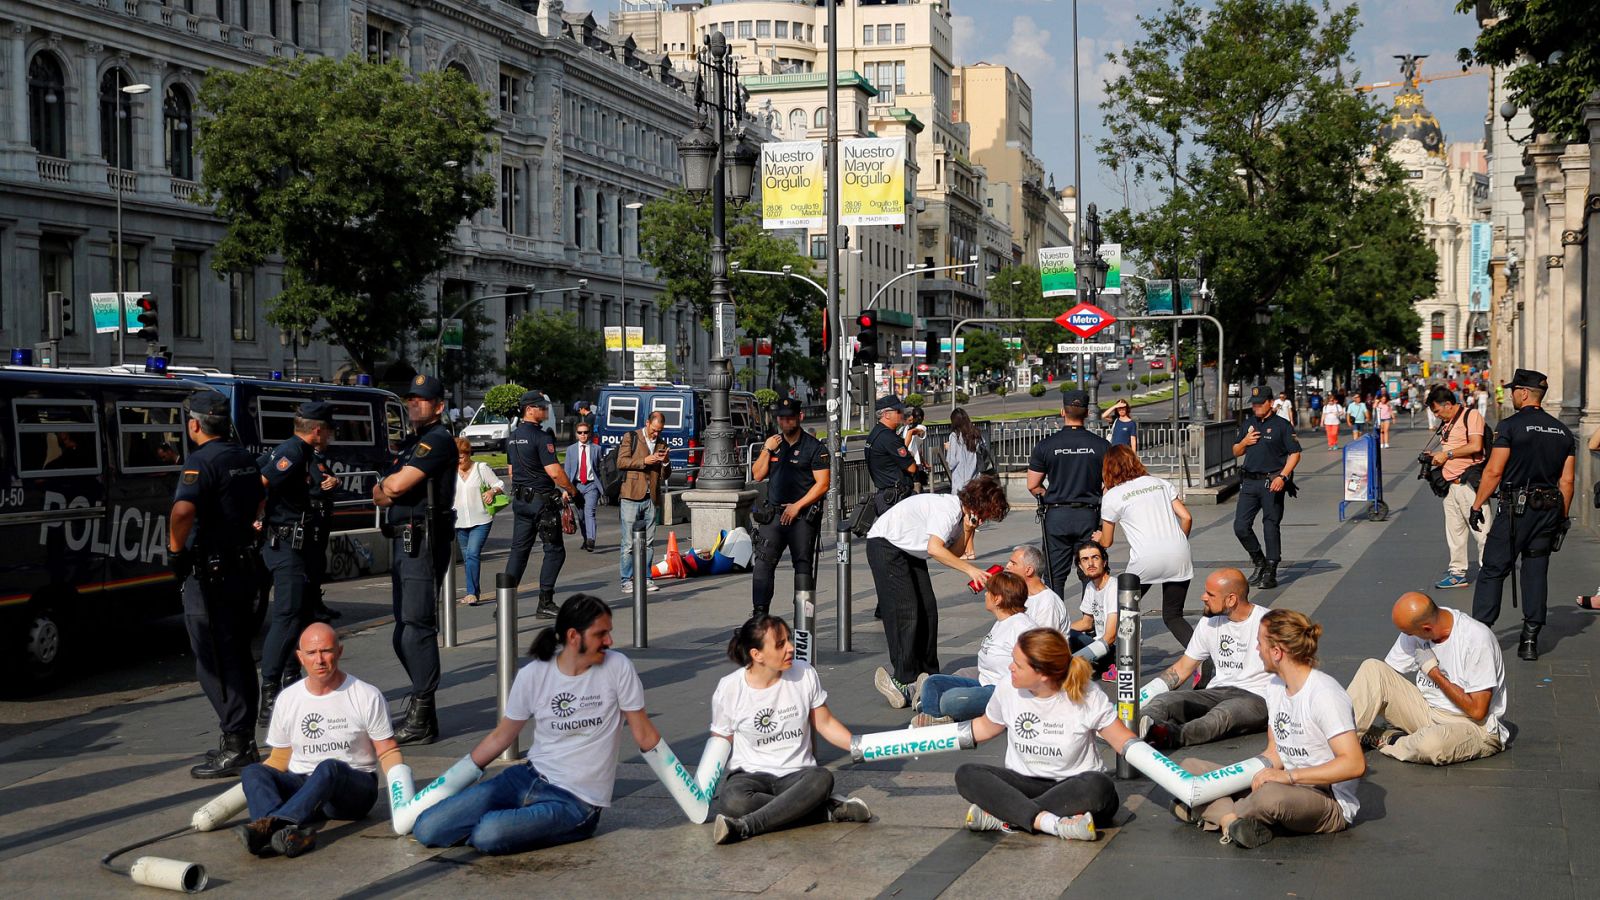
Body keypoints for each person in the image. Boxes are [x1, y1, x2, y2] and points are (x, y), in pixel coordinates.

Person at [412, 595, 661, 855]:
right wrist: (449, 781)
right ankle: (519, 819)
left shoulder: (618, 667)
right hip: (527, 777)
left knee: (488, 834)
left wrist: (693, 793)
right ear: (574, 636)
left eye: (609, 633)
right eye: (601, 634)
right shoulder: (534, 673)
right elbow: (502, 736)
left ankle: (517, 822)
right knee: (428, 828)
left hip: (576, 802)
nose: (609, 641)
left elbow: (644, 734)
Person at [1175, 609, 1363, 850]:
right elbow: (1274, 753)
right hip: (1282, 781)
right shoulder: (1274, 686)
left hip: (1325, 797)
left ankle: (1210, 811)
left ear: (1277, 652)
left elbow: (1354, 764)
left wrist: (1289, 777)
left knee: (1269, 796)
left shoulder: (1325, 695)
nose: (1256, 650)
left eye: (1259, 644)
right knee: (1191, 768)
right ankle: (1231, 820)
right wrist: (1245, 775)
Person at [235, 624, 401, 859]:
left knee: (329, 767)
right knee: (253, 771)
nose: (319, 660)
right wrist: (256, 784)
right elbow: (280, 758)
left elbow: (387, 750)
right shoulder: (288, 699)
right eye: (312, 653)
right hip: (305, 788)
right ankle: (287, 835)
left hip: (353, 790)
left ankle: (271, 827)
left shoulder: (366, 695)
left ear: (340, 652)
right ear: (300, 657)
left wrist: (403, 798)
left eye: (326, 651)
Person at [956, 629, 1137, 841]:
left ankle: (1008, 815)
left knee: (1100, 786)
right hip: (1025, 784)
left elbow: (1123, 741)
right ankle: (1052, 823)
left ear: (1042, 673)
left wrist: (1176, 782)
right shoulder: (1007, 687)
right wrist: (916, 740)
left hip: (1074, 788)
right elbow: (985, 727)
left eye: (1018, 664)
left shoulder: (1086, 693)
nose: (1010, 667)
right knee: (966, 773)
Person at [170, 390, 267, 779]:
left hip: (211, 573)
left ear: (194, 424)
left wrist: (176, 550)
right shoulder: (242, 456)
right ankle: (242, 739)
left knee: (212, 660)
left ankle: (237, 743)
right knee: (238, 655)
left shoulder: (201, 461)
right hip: (242, 566)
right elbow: (261, 494)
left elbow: (182, 510)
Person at [709, 615, 871, 844]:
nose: (791, 648)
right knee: (732, 800)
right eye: (780, 644)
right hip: (751, 776)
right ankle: (825, 811)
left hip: (798, 775)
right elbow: (720, 742)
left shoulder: (804, 673)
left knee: (822, 779)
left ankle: (746, 826)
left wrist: (861, 747)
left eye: (789, 640)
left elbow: (825, 723)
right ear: (757, 655)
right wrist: (701, 793)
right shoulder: (729, 688)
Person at [868, 476, 1010, 708]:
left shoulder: (961, 518)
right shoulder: (947, 509)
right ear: (976, 504)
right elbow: (936, 549)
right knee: (907, 611)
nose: (983, 521)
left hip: (910, 551)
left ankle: (928, 673)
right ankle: (903, 678)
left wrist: (969, 530)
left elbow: (953, 551)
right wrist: (970, 571)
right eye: (984, 515)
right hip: (885, 544)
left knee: (928, 609)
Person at [372, 374, 460, 745]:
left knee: (417, 627)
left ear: (438, 405)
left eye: (421, 400)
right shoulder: (414, 443)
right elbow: (379, 492)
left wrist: (388, 487)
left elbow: (392, 487)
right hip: (406, 540)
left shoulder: (437, 440)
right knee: (403, 631)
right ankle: (424, 709)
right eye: (410, 398)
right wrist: (387, 487)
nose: (413, 404)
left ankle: (423, 713)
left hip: (422, 540)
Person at [1469, 369, 1576, 660]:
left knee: (1493, 568)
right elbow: (1567, 482)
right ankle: (1530, 639)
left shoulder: (1511, 426)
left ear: (1524, 393)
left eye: (1514, 390)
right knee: (1535, 570)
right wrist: (1561, 518)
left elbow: (1494, 470)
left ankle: (1481, 633)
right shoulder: (1563, 431)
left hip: (1516, 510)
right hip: (1549, 509)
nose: (1512, 394)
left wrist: (1477, 505)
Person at [1347, 593, 1506, 764]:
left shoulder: (1476, 640)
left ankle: (1390, 739)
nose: (1406, 637)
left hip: (1473, 727)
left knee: (1431, 745)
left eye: (1408, 633)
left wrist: (1434, 673)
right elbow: (1385, 677)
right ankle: (1339, 741)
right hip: (1427, 712)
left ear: (1427, 628)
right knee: (1372, 668)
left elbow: (1477, 711)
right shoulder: (1418, 626)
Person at [255, 401, 338, 728]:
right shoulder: (293, 452)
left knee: (302, 615)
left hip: (299, 546)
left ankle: (290, 682)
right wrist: (254, 516)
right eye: (329, 430)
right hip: (285, 545)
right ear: (317, 430)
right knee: (287, 615)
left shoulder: (305, 454)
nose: (330, 436)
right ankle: (270, 693)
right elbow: (259, 482)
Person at [1137, 569, 1271, 750]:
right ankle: (1139, 724)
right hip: (1218, 691)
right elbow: (1182, 669)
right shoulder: (1209, 622)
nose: (1203, 597)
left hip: (1257, 696)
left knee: (1222, 715)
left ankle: (1167, 735)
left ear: (1231, 599)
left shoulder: (1269, 623)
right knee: (1164, 701)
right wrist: (1136, 700)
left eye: (1210, 594)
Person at [911, 571, 1038, 727]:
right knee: (933, 682)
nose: (985, 595)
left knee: (952, 700)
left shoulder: (1022, 628)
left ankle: (930, 709)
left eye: (988, 592)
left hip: (1002, 691)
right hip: (983, 682)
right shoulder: (1002, 622)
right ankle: (934, 714)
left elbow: (1036, 666)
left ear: (997, 599)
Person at [1098, 445, 1194, 649]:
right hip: (1179, 553)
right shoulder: (1160, 483)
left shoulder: (1113, 496)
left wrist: (1097, 536)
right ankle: (1202, 657)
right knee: (1173, 615)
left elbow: (1107, 542)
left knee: (1124, 609)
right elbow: (1186, 517)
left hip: (1146, 559)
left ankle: (1125, 662)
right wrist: (1178, 540)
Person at [749, 398, 829, 620]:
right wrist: (766, 449)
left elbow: (823, 484)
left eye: (790, 418)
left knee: (802, 565)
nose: (785, 422)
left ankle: (803, 619)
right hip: (774, 516)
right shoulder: (774, 444)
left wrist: (797, 506)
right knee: (763, 563)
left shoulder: (814, 448)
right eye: (782, 418)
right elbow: (757, 474)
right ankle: (759, 617)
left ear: (799, 417)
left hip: (801, 516)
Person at [1027, 390, 1110, 597]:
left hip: (1057, 516)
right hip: (1089, 515)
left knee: (1055, 576)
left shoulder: (1046, 445)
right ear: (1087, 413)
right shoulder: (1101, 446)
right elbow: (1110, 485)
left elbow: (1033, 485)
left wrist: (1051, 497)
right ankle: (1091, 621)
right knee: (1091, 572)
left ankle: (1056, 625)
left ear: (1062, 411)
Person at [503, 390, 577, 621]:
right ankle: (545, 602)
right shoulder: (542, 437)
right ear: (529, 409)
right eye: (541, 407)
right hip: (541, 502)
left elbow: (511, 471)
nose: (545, 410)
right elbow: (555, 472)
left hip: (520, 501)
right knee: (554, 550)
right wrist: (572, 491)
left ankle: (504, 602)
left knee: (519, 551)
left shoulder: (512, 437)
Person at [1232, 385, 1302, 589]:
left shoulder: (1282, 425)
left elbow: (1295, 453)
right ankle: (1259, 561)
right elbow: (1236, 451)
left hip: (1272, 482)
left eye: (1260, 404)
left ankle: (1271, 569)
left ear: (1271, 403)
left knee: (1270, 525)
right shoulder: (1249, 423)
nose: (1256, 407)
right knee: (1240, 526)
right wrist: (1245, 441)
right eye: (1253, 404)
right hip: (1249, 481)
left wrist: (1283, 476)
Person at [1425, 386, 1490, 591]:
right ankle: (1457, 572)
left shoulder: (1471, 416)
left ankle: (1489, 571)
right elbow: (1449, 449)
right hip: (1450, 486)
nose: (1436, 415)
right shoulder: (1447, 423)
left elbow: (1475, 446)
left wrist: (1448, 455)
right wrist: (1436, 456)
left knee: (1482, 531)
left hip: (1469, 485)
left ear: (1448, 404)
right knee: (1455, 533)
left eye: (1436, 411)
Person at [617, 410, 670, 596]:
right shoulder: (631, 437)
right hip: (631, 494)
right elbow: (621, 462)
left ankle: (646, 578)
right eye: (654, 430)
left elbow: (665, 475)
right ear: (647, 423)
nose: (657, 434)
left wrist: (664, 463)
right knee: (628, 542)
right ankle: (626, 580)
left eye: (660, 431)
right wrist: (645, 461)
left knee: (648, 542)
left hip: (651, 496)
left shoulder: (662, 443)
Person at [453, 436, 505, 606]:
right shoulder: (449, 473)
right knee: (468, 557)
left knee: (472, 553)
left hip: (481, 519)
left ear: (469, 454)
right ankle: (474, 591)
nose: (460, 458)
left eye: (463, 455)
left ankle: (471, 593)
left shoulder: (481, 468)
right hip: (459, 522)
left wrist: (492, 492)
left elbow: (500, 483)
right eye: (457, 455)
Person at [1065, 542, 1118, 680]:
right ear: (1080, 567)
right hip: (1101, 645)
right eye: (1085, 559)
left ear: (1104, 561)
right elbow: (1086, 623)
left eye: (1095, 558)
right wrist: (1056, 632)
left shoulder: (1114, 587)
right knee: (1064, 635)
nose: (1090, 563)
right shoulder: (1090, 586)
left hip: (1117, 649)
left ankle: (1111, 665)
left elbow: (1111, 636)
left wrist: (1072, 661)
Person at [1003, 544, 1068, 632]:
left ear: (1029, 570)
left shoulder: (1047, 604)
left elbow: (1043, 642)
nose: (1007, 566)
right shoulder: (1019, 595)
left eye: (1013, 563)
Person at [564, 421, 602, 553]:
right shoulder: (571, 450)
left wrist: (602, 489)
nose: (583, 435)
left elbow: (599, 470)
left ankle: (591, 540)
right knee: (581, 516)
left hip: (591, 485)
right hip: (577, 486)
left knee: (589, 512)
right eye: (580, 433)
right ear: (576, 434)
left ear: (589, 434)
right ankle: (586, 539)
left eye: (585, 432)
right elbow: (567, 471)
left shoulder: (597, 449)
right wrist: (566, 490)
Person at [945, 407, 985, 496]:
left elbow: (951, 463)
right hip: (974, 481)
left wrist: (949, 448)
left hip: (960, 484)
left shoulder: (955, 436)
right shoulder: (976, 434)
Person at [900, 405, 930, 493]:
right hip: (913, 463)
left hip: (905, 462)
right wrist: (905, 449)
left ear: (912, 417)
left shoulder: (905, 428)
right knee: (916, 488)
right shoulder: (921, 428)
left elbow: (916, 448)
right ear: (924, 417)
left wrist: (924, 462)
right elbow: (912, 433)